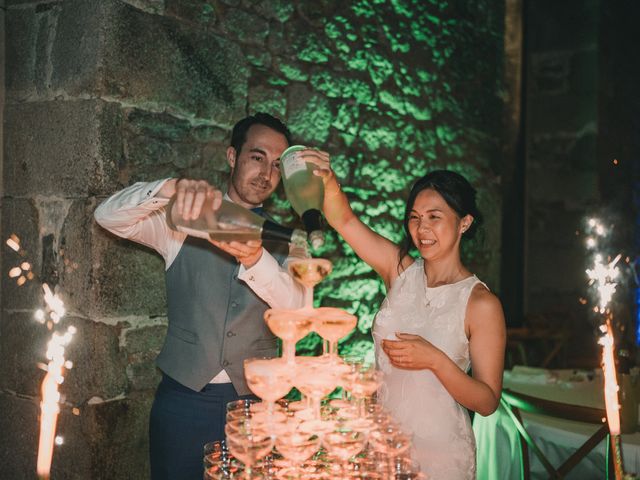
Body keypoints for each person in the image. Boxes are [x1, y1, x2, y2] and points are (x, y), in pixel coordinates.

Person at [94, 113, 309, 480]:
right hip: (183, 401)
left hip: (256, 404)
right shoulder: (181, 222)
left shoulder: (290, 240)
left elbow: (300, 315)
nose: (266, 174)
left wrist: (255, 258)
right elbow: (108, 216)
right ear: (232, 157)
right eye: (257, 157)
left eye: (277, 165)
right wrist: (169, 189)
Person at [311, 157, 506, 479]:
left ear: (464, 223)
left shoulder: (481, 303)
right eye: (415, 218)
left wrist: (436, 360)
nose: (422, 229)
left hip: (439, 455)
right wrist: (328, 180)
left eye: (434, 217)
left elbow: (487, 401)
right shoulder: (398, 270)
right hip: (382, 446)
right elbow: (344, 221)